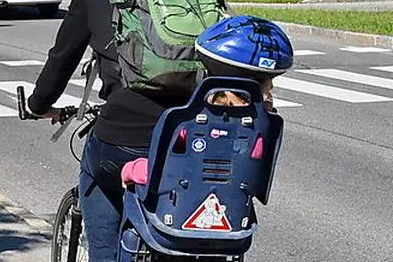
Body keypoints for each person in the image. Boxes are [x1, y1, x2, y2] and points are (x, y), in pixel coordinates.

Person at [23, 0, 183, 262]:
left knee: (94, 171)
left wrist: (40, 105)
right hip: (189, 129)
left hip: (127, 129)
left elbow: (61, 61)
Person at [119, 15, 295, 186]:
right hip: (235, 207)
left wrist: (130, 170)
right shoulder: (263, 129)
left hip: (183, 207)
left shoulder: (189, 125)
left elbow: (161, 171)